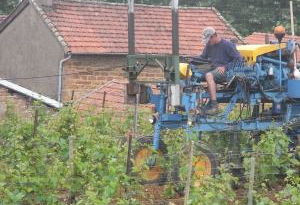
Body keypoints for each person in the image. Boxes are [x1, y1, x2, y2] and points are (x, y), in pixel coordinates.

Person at [196, 27, 242, 115]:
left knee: (209, 75)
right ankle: (192, 102)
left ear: (214, 36)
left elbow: (238, 59)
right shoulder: (209, 45)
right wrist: (192, 61)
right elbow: (202, 57)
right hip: (212, 67)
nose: (208, 43)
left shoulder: (227, 45)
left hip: (226, 71)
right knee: (193, 71)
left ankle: (214, 105)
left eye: (209, 40)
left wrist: (225, 67)